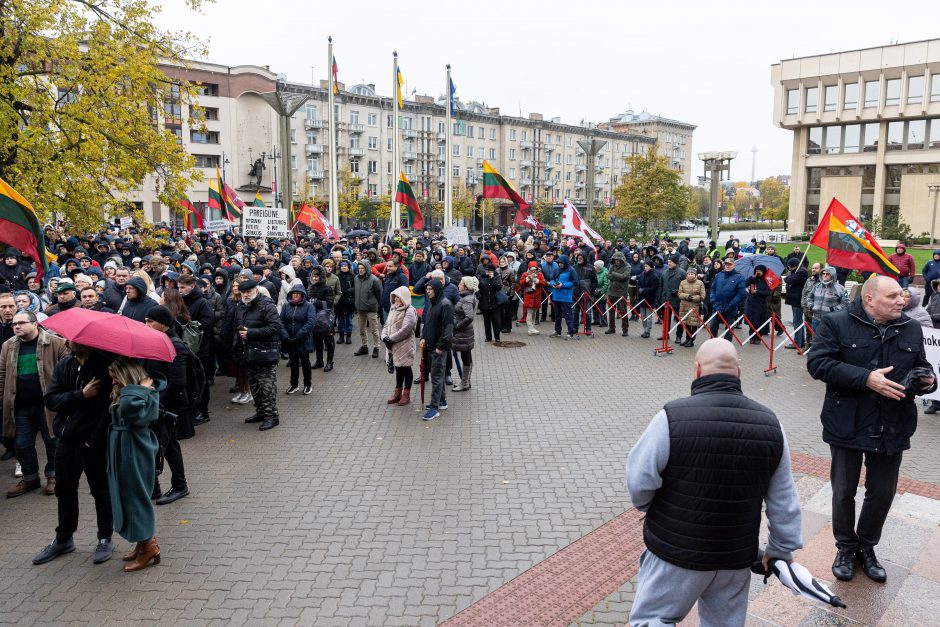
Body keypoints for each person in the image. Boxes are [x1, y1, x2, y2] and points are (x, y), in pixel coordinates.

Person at [627, 338, 802, 627]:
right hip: (735, 558)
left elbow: (639, 481)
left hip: (676, 553)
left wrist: (647, 505)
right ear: (739, 372)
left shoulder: (670, 417)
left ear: (697, 370)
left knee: (653, 620)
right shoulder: (771, 424)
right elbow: (783, 498)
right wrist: (781, 548)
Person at [807, 276, 936, 584]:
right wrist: (866, 378)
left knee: (882, 493)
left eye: (901, 296)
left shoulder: (912, 327)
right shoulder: (836, 323)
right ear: (869, 300)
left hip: (893, 423)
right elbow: (818, 364)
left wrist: (928, 380)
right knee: (844, 491)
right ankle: (846, 548)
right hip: (847, 422)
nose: (901, 301)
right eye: (892, 296)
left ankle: (867, 547)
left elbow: (922, 366)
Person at [34, 342, 115, 566]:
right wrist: (80, 395)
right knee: (64, 489)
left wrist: (93, 440)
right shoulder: (64, 365)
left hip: (92, 442)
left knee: (101, 491)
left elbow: (107, 409)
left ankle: (105, 538)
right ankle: (64, 538)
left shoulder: (104, 366)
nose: (72, 342)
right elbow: (51, 400)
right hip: (65, 439)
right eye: (70, 339)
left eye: (78, 340)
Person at [1, 311, 69, 497]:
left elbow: (67, 373)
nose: (16, 326)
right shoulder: (8, 346)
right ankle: (30, 478)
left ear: (35, 324)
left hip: (48, 405)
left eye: (21, 323)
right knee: (21, 443)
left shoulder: (56, 343)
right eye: (14, 323)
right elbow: (1, 375)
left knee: (52, 440)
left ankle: (53, 476)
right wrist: (2, 401)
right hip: (20, 405)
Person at [105, 357, 162, 572]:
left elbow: (132, 414)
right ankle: (143, 543)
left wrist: (139, 390)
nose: (112, 382)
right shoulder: (132, 391)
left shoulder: (143, 392)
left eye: (115, 376)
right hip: (124, 447)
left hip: (135, 449)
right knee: (129, 494)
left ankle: (149, 546)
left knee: (136, 496)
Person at [143, 305, 193, 505]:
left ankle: (180, 486)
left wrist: (157, 402)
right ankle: (155, 488)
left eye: (150, 322)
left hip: (167, 406)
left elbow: (177, 382)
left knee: (168, 445)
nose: (146, 325)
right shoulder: (156, 341)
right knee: (160, 445)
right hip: (157, 403)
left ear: (163, 325)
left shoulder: (175, 345)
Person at [234, 279, 282, 431]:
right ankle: (261, 412)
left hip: (265, 352)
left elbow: (275, 328)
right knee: (255, 386)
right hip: (249, 352)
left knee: (267, 387)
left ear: (256, 290)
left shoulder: (267, 305)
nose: (246, 295)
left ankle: (272, 416)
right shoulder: (241, 306)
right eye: (243, 293)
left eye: (248, 292)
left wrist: (251, 333)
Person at [419, 280, 453, 421]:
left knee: (437, 377)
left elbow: (448, 328)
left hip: (438, 348)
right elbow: (427, 324)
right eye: (427, 289)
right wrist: (423, 337)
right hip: (430, 345)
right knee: (436, 374)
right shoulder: (432, 303)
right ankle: (442, 401)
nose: (428, 291)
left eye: (431, 289)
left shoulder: (445, 305)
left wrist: (440, 346)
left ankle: (434, 408)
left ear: (437, 290)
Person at [380, 286, 418, 406]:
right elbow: (386, 324)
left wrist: (390, 339)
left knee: (406, 368)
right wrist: (384, 336)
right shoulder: (393, 308)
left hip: (405, 346)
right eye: (395, 297)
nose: (396, 299)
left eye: (398, 297)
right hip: (393, 345)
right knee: (398, 368)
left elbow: (405, 330)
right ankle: (397, 392)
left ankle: (406, 394)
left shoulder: (410, 311)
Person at [280, 281, 316, 395]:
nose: (295, 295)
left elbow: (310, 322)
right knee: (293, 363)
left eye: (297, 293)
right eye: (293, 293)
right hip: (289, 340)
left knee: (305, 363)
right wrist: (285, 335)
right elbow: (280, 322)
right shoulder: (286, 306)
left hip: (303, 340)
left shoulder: (309, 306)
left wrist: (299, 335)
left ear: (302, 295)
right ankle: (294, 385)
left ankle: (307, 384)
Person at [708, 258, 746, 340]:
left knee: (729, 329)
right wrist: (714, 302)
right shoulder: (719, 275)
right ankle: (713, 344)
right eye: (726, 264)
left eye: (730, 264)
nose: (727, 266)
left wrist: (731, 305)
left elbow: (741, 294)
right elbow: (713, 289)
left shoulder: (739, 277)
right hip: (717, 306)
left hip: (730, 308)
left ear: (734, 265)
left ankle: (727, 346)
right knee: (713, 326)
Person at [451, 276, 478, 392]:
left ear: (466, 286)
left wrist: (457, 326)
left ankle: (465, 383)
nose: (458, 285)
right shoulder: (468, 296)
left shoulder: (466, 299)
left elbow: (469, 316)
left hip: (463, 333)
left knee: (465, 357)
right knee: (467, 356)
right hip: (466, 332)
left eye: (461, 284)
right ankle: (466, 380)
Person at [353, 259, 382, 359]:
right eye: (359, 268)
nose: (360, 270)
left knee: (374, 329)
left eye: (362, 268)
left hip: (371, 308)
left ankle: (376, 347)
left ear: (367, 268)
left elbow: (379, 294)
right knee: (361, 329)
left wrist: (377, 306)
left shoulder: (374, 279)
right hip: (360, 308)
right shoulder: (356, 278)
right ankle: (364, 346)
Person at [807, 266, 848, 330]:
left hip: (830, 320)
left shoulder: (840, 289)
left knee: (827, 340)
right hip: (816, 319)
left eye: (827, 274)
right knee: (815, 339)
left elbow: (846, 303)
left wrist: (834, 309)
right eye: (823, 273)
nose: (825, 275)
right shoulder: (817, 286)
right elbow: (809, 297)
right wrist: (811, 306)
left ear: (832, 275)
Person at [549, 255, 577, 339]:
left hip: (566, 297)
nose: (560, 264)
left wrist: (562, 285)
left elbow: (575, 283)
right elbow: (552, 279)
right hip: (556, 296)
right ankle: (557, 331)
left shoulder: (571, 270)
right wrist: (553, 284)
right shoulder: (556, 270)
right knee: (557, 315)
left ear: (565, 262)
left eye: (561, 263)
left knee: (568, 315)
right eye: (559, 263)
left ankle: (570, 333)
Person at [658, 257, 684, 344]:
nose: (669, 263)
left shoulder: (682, 272)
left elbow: (684, 286)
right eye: (668, 261)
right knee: (666, 319)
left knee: (679, 320)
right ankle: (665, 334)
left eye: (671, 262)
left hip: (677, 300)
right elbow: (661, 286)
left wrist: (678, 292)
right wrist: (661, 296)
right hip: (666, 300)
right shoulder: (664, 273)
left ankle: (678, 336)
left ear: (676, 263)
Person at [676, 269, 705, 347]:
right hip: (684, 306)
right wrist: (687, 296)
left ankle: (691, 340)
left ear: (695, 275)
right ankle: (687, 339)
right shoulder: (683, 282)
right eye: (689, 274)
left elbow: (702, 296)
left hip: (695, 307)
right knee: (686, 324)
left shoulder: (700, 283)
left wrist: (693, 298)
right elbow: (679, 294)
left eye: (692, 274)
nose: (690, 275)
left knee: (694, 324)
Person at [783, 258, 808, 349]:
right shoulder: (796, 271)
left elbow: (790, 280)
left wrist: (787, 277)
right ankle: (800, 341)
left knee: (797, 321)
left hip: (797, 299)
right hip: (795, 299)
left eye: (790, 267)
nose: (789, 268)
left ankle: (797, 342)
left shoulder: (801, 271)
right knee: (798, 321)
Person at [743, 265, 772, 345]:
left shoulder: (766, 280)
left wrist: (757, 292)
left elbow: (767, 292)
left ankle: (758, 337)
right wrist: (753, 277)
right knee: (751, 321)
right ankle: (751, 336)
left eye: (760, 271)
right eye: (757, 271)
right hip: (751, 303)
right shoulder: (753, 279)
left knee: (759, 321)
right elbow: (744, 284)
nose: (758, 272)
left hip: (761, 304)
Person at [605, 252, 630, 336]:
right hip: (611, 291)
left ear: (622, 259)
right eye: (616, 260)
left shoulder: (627, 266)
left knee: (623, 311)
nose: (617, 261)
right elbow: (608, 276)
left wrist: (614, 274)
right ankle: (611, 328)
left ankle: (625, 329)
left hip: (621, 292)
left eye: (619, 260)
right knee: (611, 311)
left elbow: (624, 277)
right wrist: (616, 276)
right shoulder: (612, 266)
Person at [519, 262, 545, 335]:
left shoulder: (540, 274)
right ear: (529, 269)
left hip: (537, 296)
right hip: (529, 296)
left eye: (534, 269)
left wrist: (537, 281)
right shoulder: (525, 274)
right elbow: (521, 283)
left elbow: (543, 284)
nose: (533, 271)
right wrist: (527, 278)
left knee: (535, 312)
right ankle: (530, 328)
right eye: (531, 269)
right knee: (529, 312)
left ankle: (532, 328)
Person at [635, 260, 659, 339]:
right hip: (642, 298)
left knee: (648, 316)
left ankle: (648, 330)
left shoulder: (654, 276)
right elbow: (638, 283)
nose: (646, 268)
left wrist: (644, 290)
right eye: (645, 266)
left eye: (647, 266)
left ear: (651, 267)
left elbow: (654, 287)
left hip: (649, 298)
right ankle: (644, 329)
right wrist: (639, 289)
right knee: (643, 315)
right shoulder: (642, 274)